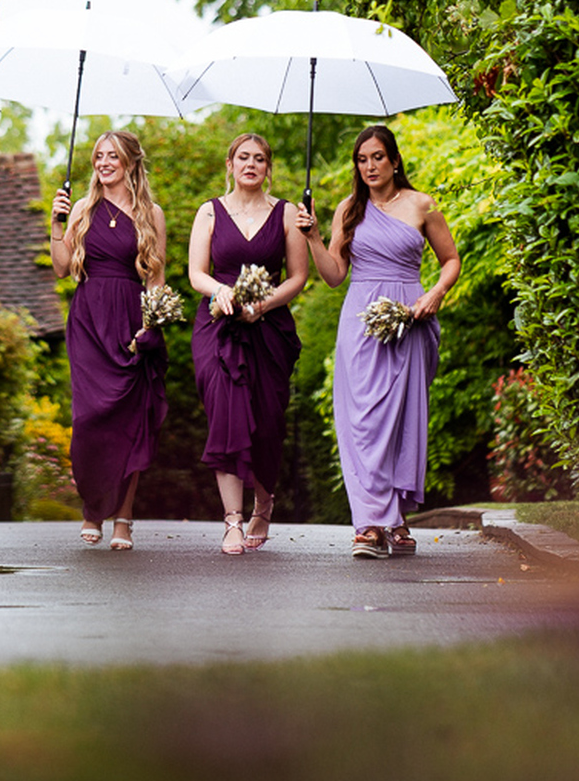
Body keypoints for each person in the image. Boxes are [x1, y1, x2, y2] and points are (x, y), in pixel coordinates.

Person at [297, 125, 460, 558]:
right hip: (361, 322)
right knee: (365, 423)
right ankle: (369, 523)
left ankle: (398, 520)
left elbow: (450, 260)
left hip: (411, 318)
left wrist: (434, 294)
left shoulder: (422, 204)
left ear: (394, 161)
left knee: (402, 421)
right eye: (362, 159)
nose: (369, 166)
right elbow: (334, 276)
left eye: (377, 157)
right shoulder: (349, 210)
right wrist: (313, 237)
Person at [188, 133, 308, 555]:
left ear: (268, 167)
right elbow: (196, 272)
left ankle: (264, 502)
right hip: (218, 327)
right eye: (243, 157)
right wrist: (218, 292)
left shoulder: (287, 213)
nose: (251, 164)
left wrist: (264, 303)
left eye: (259, 158)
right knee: (225, 410)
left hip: (269, 329)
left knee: (268, 422)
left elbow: (297, 276)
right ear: (230, 164)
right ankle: (232, 521)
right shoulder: (210, 212)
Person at [51, 131, 169, 552]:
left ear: (130, 163)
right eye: (98, 156)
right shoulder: (83, 208)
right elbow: (63, 269)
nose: (103, 163)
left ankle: (123, 517)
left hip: (130, 321)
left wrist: (152, 325)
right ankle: (92, 509)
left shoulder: (150, 214)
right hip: (87, 321)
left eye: (112, 156)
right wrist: (57, 222)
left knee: (130, 423)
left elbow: (155, 278)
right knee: (88, 421)